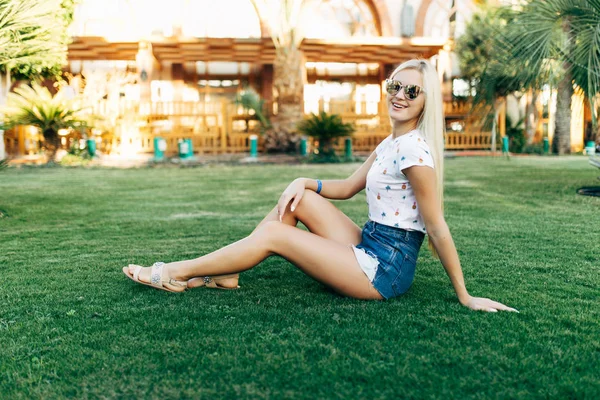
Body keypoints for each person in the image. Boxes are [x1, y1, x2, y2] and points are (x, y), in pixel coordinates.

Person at [123, 59, 518, 313]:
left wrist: (464, 296)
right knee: (300, 200)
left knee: (276, 234)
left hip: (385, 271)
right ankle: (227, 274)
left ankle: (176, 271)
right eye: (394, 86)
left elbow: (436, 227)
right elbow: (347, 187)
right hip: (371, 242)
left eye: (411, 91)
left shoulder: (414, 150)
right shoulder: (391, 143)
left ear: (425, 101)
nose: (400, 96)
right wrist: (305, 180)